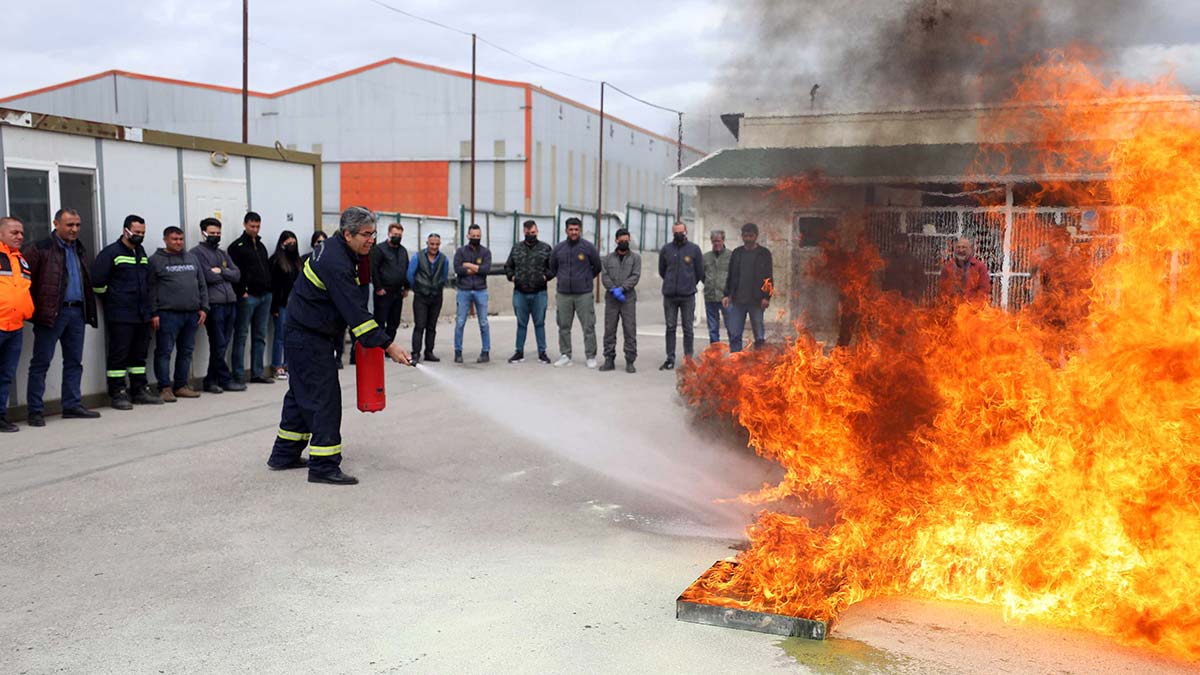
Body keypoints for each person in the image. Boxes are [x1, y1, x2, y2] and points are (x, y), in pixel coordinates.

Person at [267, 206, 411, 485]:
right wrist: (389, 346)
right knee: (324, 399)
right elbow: (356, 314)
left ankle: (283, 454)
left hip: (305, 332)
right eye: (366, 234)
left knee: (300, 394)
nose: (372, 239)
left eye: (374, 233)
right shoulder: (336, 262)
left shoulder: (336, 249)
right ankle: (323, 465)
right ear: (347, 234)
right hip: (308, 336)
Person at [23, 207, 101, 426]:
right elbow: (23, 282)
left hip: (76, 312)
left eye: (77, 225)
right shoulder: (40, 248)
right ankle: (35, 411)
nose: (74, 229)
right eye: (69, 225)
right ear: (56, 224)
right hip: (51, 314)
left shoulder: (80, 248)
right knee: (41, 363)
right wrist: (34, 309)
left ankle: (72, 405)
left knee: (74, 361)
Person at [91, 214, 161, 408]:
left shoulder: (141, 252)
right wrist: (115, 299)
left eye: (143, 233)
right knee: (119, 354)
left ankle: (139, 389)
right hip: (120, 314)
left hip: (141, 314)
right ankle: (118, 392)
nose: (140, 236)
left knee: (139, 355)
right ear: (126, 231)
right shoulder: (111, 253)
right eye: (137, 232)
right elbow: (97, 283)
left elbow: (148, 282)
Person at [149, 226, 208, 402]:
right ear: (165, 239)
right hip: (167, 314)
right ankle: (165, 388)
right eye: (174, 239)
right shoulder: (155, 260)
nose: (178, 242)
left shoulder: (192, 258)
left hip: (191, 314)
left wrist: (204, 308)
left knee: (186, 351)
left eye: (181, 239)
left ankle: (181, 385)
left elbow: (202, 284)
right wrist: (154, 312)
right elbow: (150, 290)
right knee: (164, 351)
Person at [190, 217, 245, 393]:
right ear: (204, 233)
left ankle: (211, 380)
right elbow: (208, 276)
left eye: (218, 233)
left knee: (223, 344)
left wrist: (221, 270)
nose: (215, 236)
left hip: (230, 303)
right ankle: (225, 379)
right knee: (218, 343)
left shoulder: (222, 254)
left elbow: (237, 274)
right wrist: (225, 273)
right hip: (214, 305)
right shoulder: (197, 253)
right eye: (212, 233)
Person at [549, 217, 601, 368]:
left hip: (583, 294)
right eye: (571, 229)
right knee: (563, 326)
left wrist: (585, 279)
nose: (573, 232)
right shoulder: (558, 249)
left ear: (580, 230)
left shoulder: (588, 247)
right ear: (566, 230)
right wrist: (563, 279)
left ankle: (590, 356)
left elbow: (596, 266)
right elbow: (553, 267)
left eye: (576, 229)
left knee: (588, 326)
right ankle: (565, 355)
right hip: (564, 293)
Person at [228, 211, 273, 384]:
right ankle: (239, 374)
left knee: (260, 336)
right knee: (241, 336)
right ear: (245, 225)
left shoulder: (260, 246)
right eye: (252, 226)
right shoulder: (237, 247)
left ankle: (257, 373)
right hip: (248, 297)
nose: (255, 229)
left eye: (257, 226)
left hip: (265, 295)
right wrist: (242, 292)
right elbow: (235, 272)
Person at [0, 217, 34, 432]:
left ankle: (1, 417)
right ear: (1, 234)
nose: (20, 236)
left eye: (21, 232)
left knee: (5, 375)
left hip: (15, 327)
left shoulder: (21, 260)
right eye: (14, 232)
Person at [502, 219, 553, 364]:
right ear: (524, 232)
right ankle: (519, 352)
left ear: (537, 231)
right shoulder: (516, 248)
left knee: (539, 323)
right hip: (520, 293)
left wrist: (545, 277)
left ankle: (542, 352)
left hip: (539, 293)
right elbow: (508, 266)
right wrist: (512, 277)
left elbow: (553, 267)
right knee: (521, 324)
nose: (531, 234)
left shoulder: (545, 248)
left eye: (533, 232)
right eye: (528, 232)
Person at [658, 221, 704, 370]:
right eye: (675, 232)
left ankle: (688, 359)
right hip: (670, 296)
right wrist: (671, 282)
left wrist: (689, 284)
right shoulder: (666, 249)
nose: (678, 234)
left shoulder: (694, 250)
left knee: (688, 328)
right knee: (670, 327)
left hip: (687, 296)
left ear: (686, 232)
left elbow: (699, 272)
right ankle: (670, 358)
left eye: (681, 232)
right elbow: (662, 270)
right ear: (673, 233)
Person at [724, 222, 775, 353]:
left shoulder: (764, 253)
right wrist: (726, 294)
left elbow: (768, 277)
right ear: (742, 236)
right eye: (745, 236)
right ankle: (736, 360)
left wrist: (766, 297)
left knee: (759, 334)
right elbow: (730, 275)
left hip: (756, 301)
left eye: (751, 236)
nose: (748, 239)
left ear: (756, 236)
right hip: (737, 301)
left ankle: (760, 360)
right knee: (735, 333)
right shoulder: (737, 253)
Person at [600, 228, 641, 373]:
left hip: (628, 298)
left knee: (629, 329)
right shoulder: (607, 259)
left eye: (626, 240)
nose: (624, 243)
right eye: (621, 240)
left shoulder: (635, 258)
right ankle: (609, 360)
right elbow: (604, 277)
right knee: (609, 330)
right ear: (616, 241)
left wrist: (622, 289)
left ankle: (630, 361)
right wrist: (613, 290)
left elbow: (635, 276)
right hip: (611, 299)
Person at [304, 231, 347, 367]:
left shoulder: (335, 261)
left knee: (338, 332)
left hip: (334, 305)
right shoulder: (308, 260)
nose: (320, 244)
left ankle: (337, 357)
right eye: (318, 242)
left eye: (323, 241)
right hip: (316, 307)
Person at [407, 232, 450, 363]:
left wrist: (437, 287)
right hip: (421, 296)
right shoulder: (417, 257)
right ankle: (415, 353)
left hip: (436, 297)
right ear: (427, 243)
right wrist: (418, 288)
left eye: (437, 244)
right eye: (432, 244)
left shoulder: (444, 259)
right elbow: (410, 275)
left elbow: (445, 275)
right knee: (419, 325)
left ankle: (429, 352)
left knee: (431, 326)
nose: (434, 247)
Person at [452, 224, 492, 364]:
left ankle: (486, 351)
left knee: (483, 322)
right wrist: (476, 269)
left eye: (478, 236)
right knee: (460, 322)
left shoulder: (486, 252)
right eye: (473, 236)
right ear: (468, 236)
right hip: (464, 290)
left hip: (481, 290)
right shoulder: (460, 251)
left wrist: (468, 265)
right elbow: (458, 269)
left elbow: (485, 269)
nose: (476, 238)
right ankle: (458, 352)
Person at [370, 222, 410, 342]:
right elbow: (374, 269)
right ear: (389, 234)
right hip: (384, 292)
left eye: (399, 235)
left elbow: (406, 269)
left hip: (398, 292)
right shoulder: (379, 249)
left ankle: (388, 346)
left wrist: (407, 287)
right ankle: (379, 347)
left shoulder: (403, 251)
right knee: (380, 321)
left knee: (394, 322)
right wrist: (378, 288)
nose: (397, 237)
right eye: (394, 234)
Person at [269, 230, 300, 380]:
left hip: (295, 305)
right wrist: (274, 307)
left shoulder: (297, 261)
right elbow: (274, 286)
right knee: (280, 336)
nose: (292, 245)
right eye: (289, 243)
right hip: (281, 305)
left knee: (291, 336)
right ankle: (277, 365)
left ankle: (289, 364)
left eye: (294, 243)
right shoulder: (276, 261)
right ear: (282, 244)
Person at [937, 236, 991, 303]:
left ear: (970, 250)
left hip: (972, 309)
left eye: (964, 247)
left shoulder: (980, 267)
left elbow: (984, 289)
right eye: (958, 247)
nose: (961, 250)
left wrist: (974, 306)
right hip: (952, 308)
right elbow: (942, 290)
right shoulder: (947, 267)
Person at [702, 229, 732, 345]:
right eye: (714, 241)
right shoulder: (706, 257)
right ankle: (715, 354)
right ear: (711, 241)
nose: (716, 243)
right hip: (710, 297)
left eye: (719, 241)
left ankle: (734, 353)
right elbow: (701, 274)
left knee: (731, 326)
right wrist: (709, 283)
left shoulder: (731, 256)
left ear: (723, 240)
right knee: (713, 329)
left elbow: (734, 275)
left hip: (726, 298)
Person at [882, 235, 926, 303]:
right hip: (888, 298)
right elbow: (878, 277)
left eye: (902, 244)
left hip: (907, 299)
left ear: (907, 244)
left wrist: (915, 295)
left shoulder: (913, 260)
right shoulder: (886, 259)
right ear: (893, 244)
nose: (900, 246)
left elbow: (921, 280)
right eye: (897, 244)